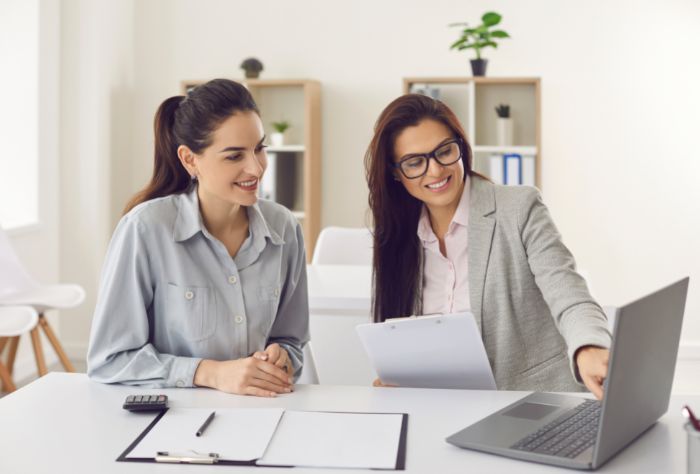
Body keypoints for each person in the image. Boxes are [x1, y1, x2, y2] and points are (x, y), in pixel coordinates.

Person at [364, 94, 611, 399]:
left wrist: (588, 347)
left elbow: (569, 294)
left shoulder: (518, 207)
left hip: (529, 403)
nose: (436, 170)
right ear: (396, 174)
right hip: (439, 409)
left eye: (444, 151)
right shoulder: (397, 240)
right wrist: (393, 382)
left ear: (460, 147)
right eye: (415, 162)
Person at [87, 79, 309, 397]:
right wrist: (211, 373)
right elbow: (109, 359)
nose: (256, 168)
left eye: (259, 148)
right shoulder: (145, 229)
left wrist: (282, 356)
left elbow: (292, 340)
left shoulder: (284, 228)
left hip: (261, 412)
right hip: (173, 420)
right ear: (190, 159)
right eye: (234, 156)